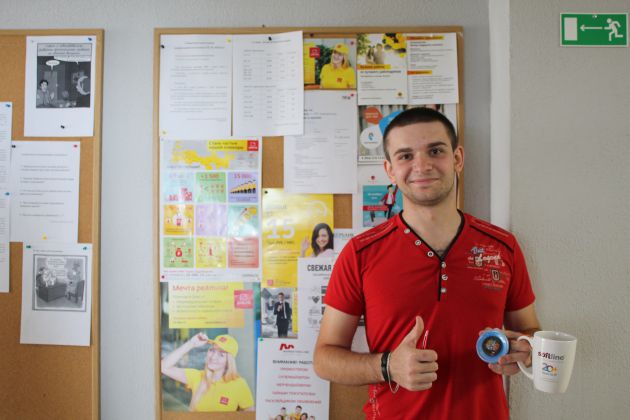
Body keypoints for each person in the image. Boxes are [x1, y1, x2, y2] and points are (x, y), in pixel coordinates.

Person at [313, 107, 540, 419]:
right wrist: (387, 366)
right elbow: (324, 359)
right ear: (390, 170)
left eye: (435, 151)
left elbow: (529, 331)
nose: (422, 165)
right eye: (405, 156)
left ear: (457, 158)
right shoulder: (360, 253)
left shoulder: (502, 247)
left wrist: (524, 350)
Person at [161, 333, 254, 412]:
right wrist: (191, 344)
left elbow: (250, 415)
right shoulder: (197, 376)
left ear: (228, 362)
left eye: (221, 355)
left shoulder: (239, 384)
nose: (213, 357)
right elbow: (163, 367)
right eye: (212, 350)